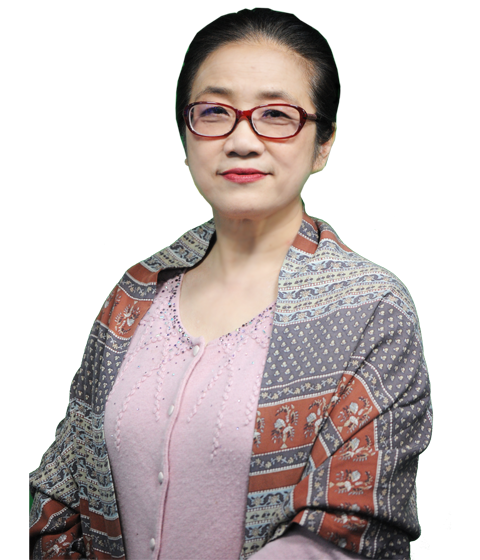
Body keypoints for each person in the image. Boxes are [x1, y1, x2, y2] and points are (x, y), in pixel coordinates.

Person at [29, 8, 432, 560]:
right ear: (185, 133)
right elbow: (60, 491)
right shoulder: (136, 294)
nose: (242, 141)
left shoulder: (371, 309)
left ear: (323, 144)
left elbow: (350, 526)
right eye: (215, 111)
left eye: (277, 115)